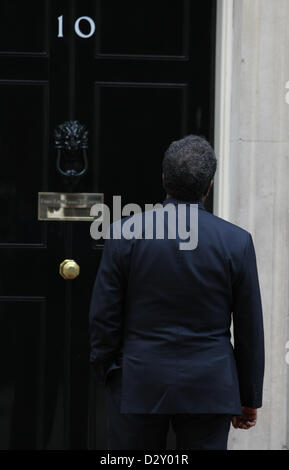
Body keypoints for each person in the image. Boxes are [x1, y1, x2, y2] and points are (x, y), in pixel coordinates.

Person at [89, 135, 265, 450]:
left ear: (164, 179)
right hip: (210, 386)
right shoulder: (236, 242)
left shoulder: (125, 234)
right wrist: (249, 396)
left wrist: (109, 374)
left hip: (138, 381)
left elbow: (104, 316)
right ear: (209, 185)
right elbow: (250, 327)